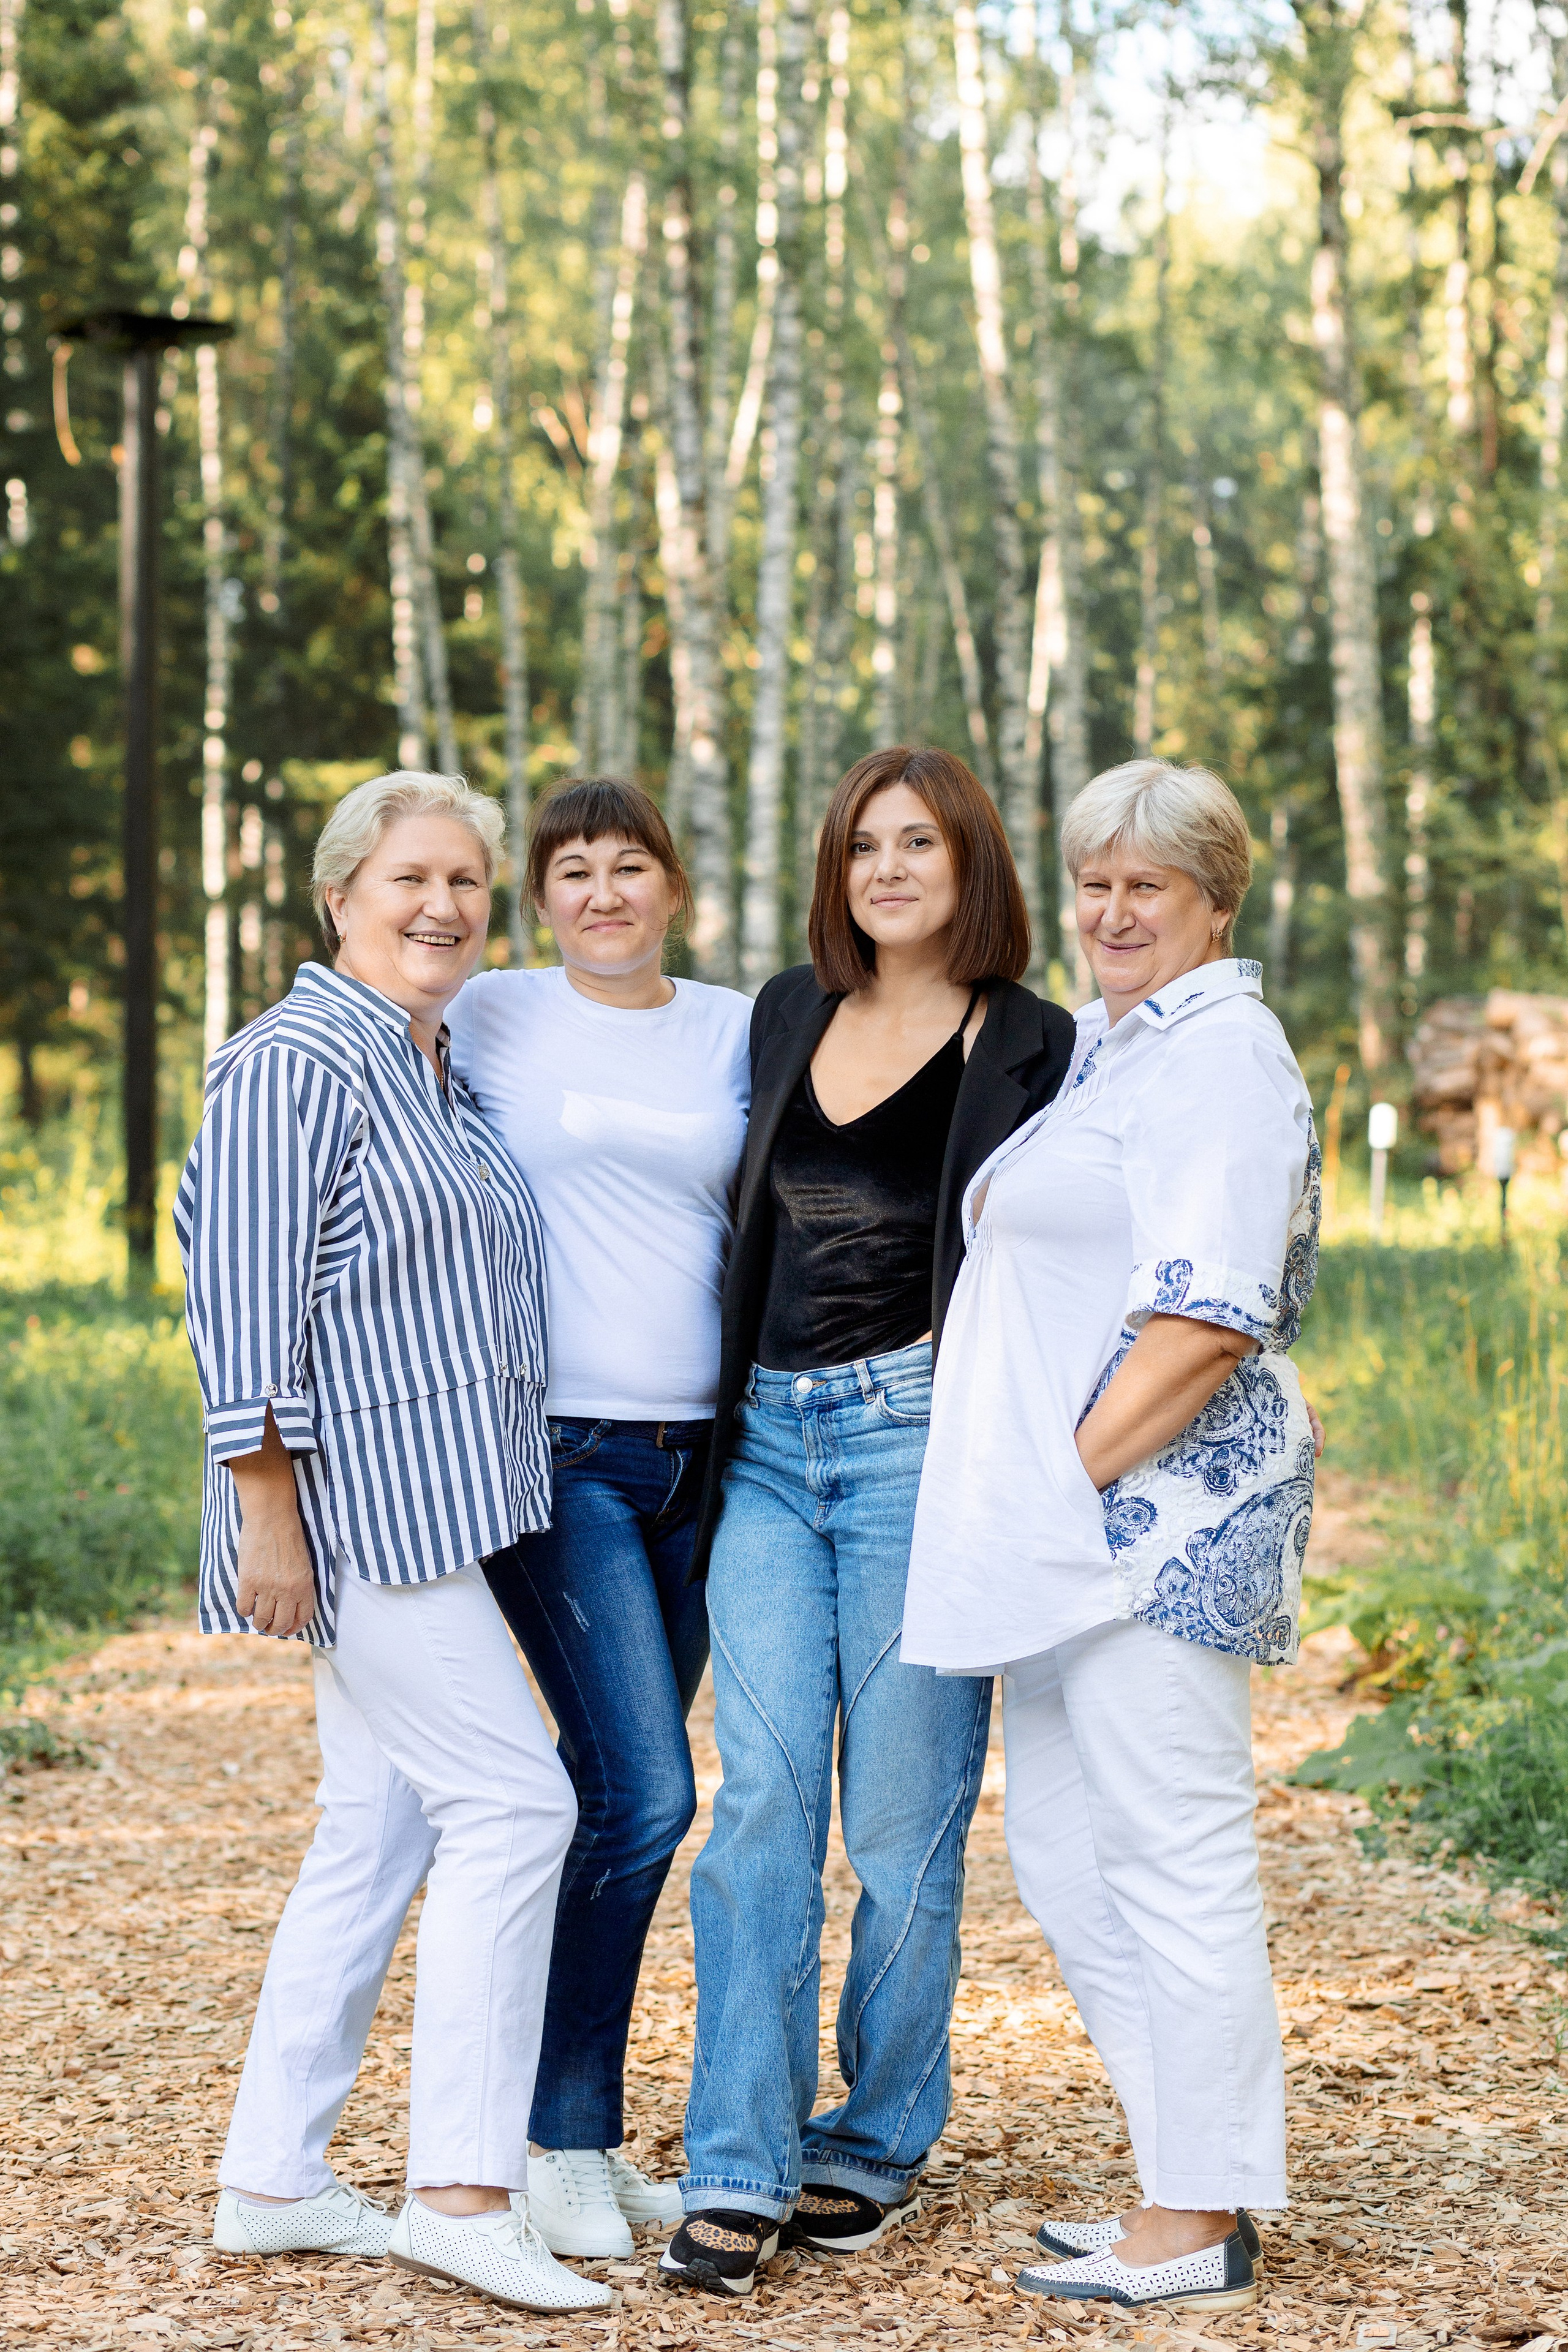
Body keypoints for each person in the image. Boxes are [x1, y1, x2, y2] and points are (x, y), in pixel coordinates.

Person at [176, 769, 611, 2321]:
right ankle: (461, 2191)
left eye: (467, 886)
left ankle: (275, 2178)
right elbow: (240, 1315)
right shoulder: (294, 1063)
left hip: (437, 1508)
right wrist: (269, 1520)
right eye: (410, 878)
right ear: (340, 892)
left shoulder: (430, 1066)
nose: (442, 909)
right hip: (354, 1522)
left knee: (378, 1830)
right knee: (516, 1805)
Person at [902, 758, 1322, 2320]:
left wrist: (1054, 1483)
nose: (1112, 911)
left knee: (1171, 1860)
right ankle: (1179, 2181)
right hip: (1074, 1538)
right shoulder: (1123, 1055)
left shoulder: (1224, 1061)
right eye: (1095, 882)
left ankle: (1199, 2215)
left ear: (1216, 899)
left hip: (1152, 1534)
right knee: (1073, 1862)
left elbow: (1209, 1319)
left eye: (1148, 885)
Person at [658, 746, 1076, 2297]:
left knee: (903, 1828)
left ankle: (876, 2139)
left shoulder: (1030, 1041)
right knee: (758, 1801)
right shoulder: (785, 1010)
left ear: (971, 861)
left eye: (917, 843)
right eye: (860, 848)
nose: (887, 869)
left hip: (922, 1449)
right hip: (765, 1442)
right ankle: (737, 2160)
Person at [446, 777, 751, 2258]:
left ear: (674, 887)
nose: (602, 893)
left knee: (612, 1797)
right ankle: (562, 2140)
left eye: (630, 866)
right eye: (571, 871)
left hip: (706, 1462)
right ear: (539, 899)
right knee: (643, 1795)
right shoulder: (492, 1011)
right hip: (558, 1459)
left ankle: (551, 2125)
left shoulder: (737, 1026)